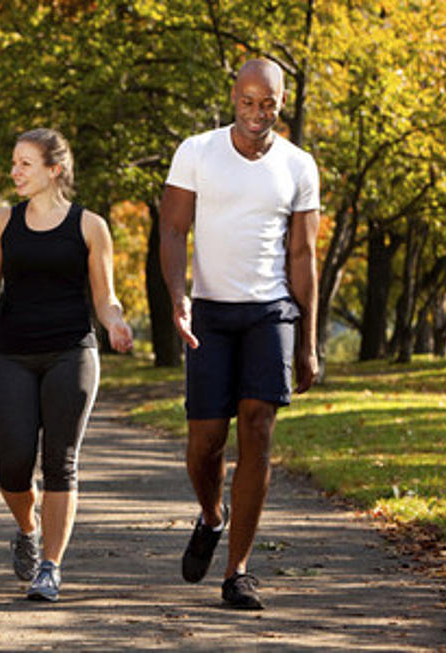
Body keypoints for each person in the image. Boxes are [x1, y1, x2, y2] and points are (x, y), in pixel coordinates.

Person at [159, 59, 321, 610]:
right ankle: (211, 515)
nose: (256, 114)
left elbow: (302, 256)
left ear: (280, 103)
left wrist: (308, 341)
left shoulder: (299, 166)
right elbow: (174, 229)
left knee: (258, 428)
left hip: (269, 312)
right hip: (209, 311)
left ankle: (239, 571)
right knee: (205, 443)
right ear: (234, 97)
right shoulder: (197, 151)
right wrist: (179, 298)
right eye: (247, 102)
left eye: (267, 104)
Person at [0, 128, 133, 602]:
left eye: (25, 164)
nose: (14, 171)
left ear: (53, 170)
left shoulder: (90, 226)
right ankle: (27, 526)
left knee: (61, 462)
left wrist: (116, 324)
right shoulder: (2, 221)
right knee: (12, 466)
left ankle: (51, 568)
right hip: (13, 352)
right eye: (14, 163)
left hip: (71, 352)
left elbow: (105, 297)